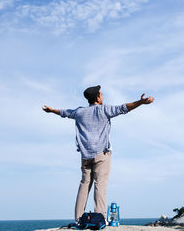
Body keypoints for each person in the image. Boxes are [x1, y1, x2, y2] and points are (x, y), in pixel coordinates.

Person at [42, 85, 154, 222]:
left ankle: (78, 218)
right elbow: (124, 108)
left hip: (85, 155)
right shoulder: (104, 109)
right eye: (101, 94)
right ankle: (100, 217)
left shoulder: (79, 112)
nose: (103, 96)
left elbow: (65, 112)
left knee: (84, 184)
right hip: (102, 153)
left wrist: (52, 110)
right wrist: (141, 102)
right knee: (100, 184)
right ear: (97, 97)